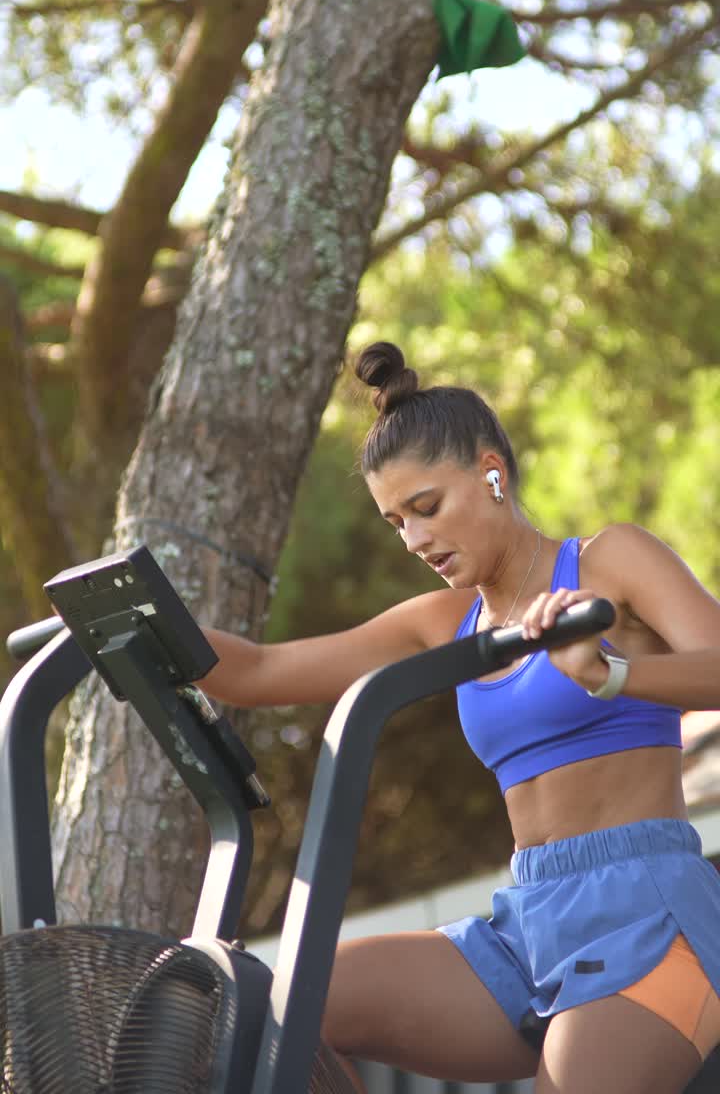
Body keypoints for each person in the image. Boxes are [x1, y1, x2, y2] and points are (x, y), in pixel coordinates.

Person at [203, 341, 720, 1094]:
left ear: (491, 473)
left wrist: (612, 674)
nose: (414, 541)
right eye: (395, 523)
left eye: (426, 508)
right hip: (525, 923)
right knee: (288, 1008)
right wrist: (116, 621)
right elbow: (256, 670)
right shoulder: (445, 622)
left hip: (645, 914)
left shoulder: (611, 561)